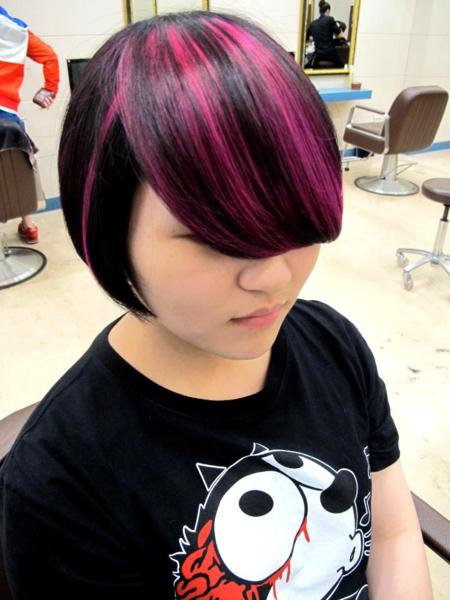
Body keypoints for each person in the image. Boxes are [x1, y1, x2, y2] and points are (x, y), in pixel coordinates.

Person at [0, 11, 432, 600]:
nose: (274, 277)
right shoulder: (63, 482)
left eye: (296, 225)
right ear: (106, 225)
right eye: (216, 237)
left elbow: (393, 533)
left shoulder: (334, 346)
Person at [0, 6, 59, 244]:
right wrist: (48, 91)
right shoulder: (17, 31)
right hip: (7, 117)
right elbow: (49, 56)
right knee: (21, 168)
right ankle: (30, 226)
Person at [306, 1, 346, 69]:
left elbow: (306, 39)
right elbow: (340, 36)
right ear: (327, 10)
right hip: (330, 54)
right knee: (342, 67)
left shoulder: (313, 24)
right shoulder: (330, 19)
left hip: (318, 55)